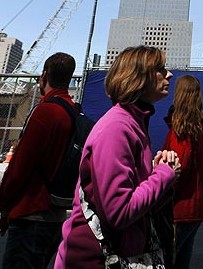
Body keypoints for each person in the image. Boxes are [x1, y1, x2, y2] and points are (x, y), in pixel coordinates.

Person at [54, 46, 181, 268]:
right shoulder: (117, 127)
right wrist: (163, 174)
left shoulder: (133, 124)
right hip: (95, 259)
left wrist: (159, 173)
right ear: (138, 77)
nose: (169, 74)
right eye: (160, 69)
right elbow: (119, 211)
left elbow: (136, 201)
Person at [0, 52, 76, 269]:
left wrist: (4, 204)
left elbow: (20, 166)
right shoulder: (72, 112)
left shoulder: (46, 111)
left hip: (31, 214)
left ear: (44, 76)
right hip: (56, 213)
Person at [162, 75, 203, 269]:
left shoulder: (180, 132)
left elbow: (177, 171)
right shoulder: (202, 129)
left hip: (178, 210)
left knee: (167, 262)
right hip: (196, 208)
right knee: (182, 262)